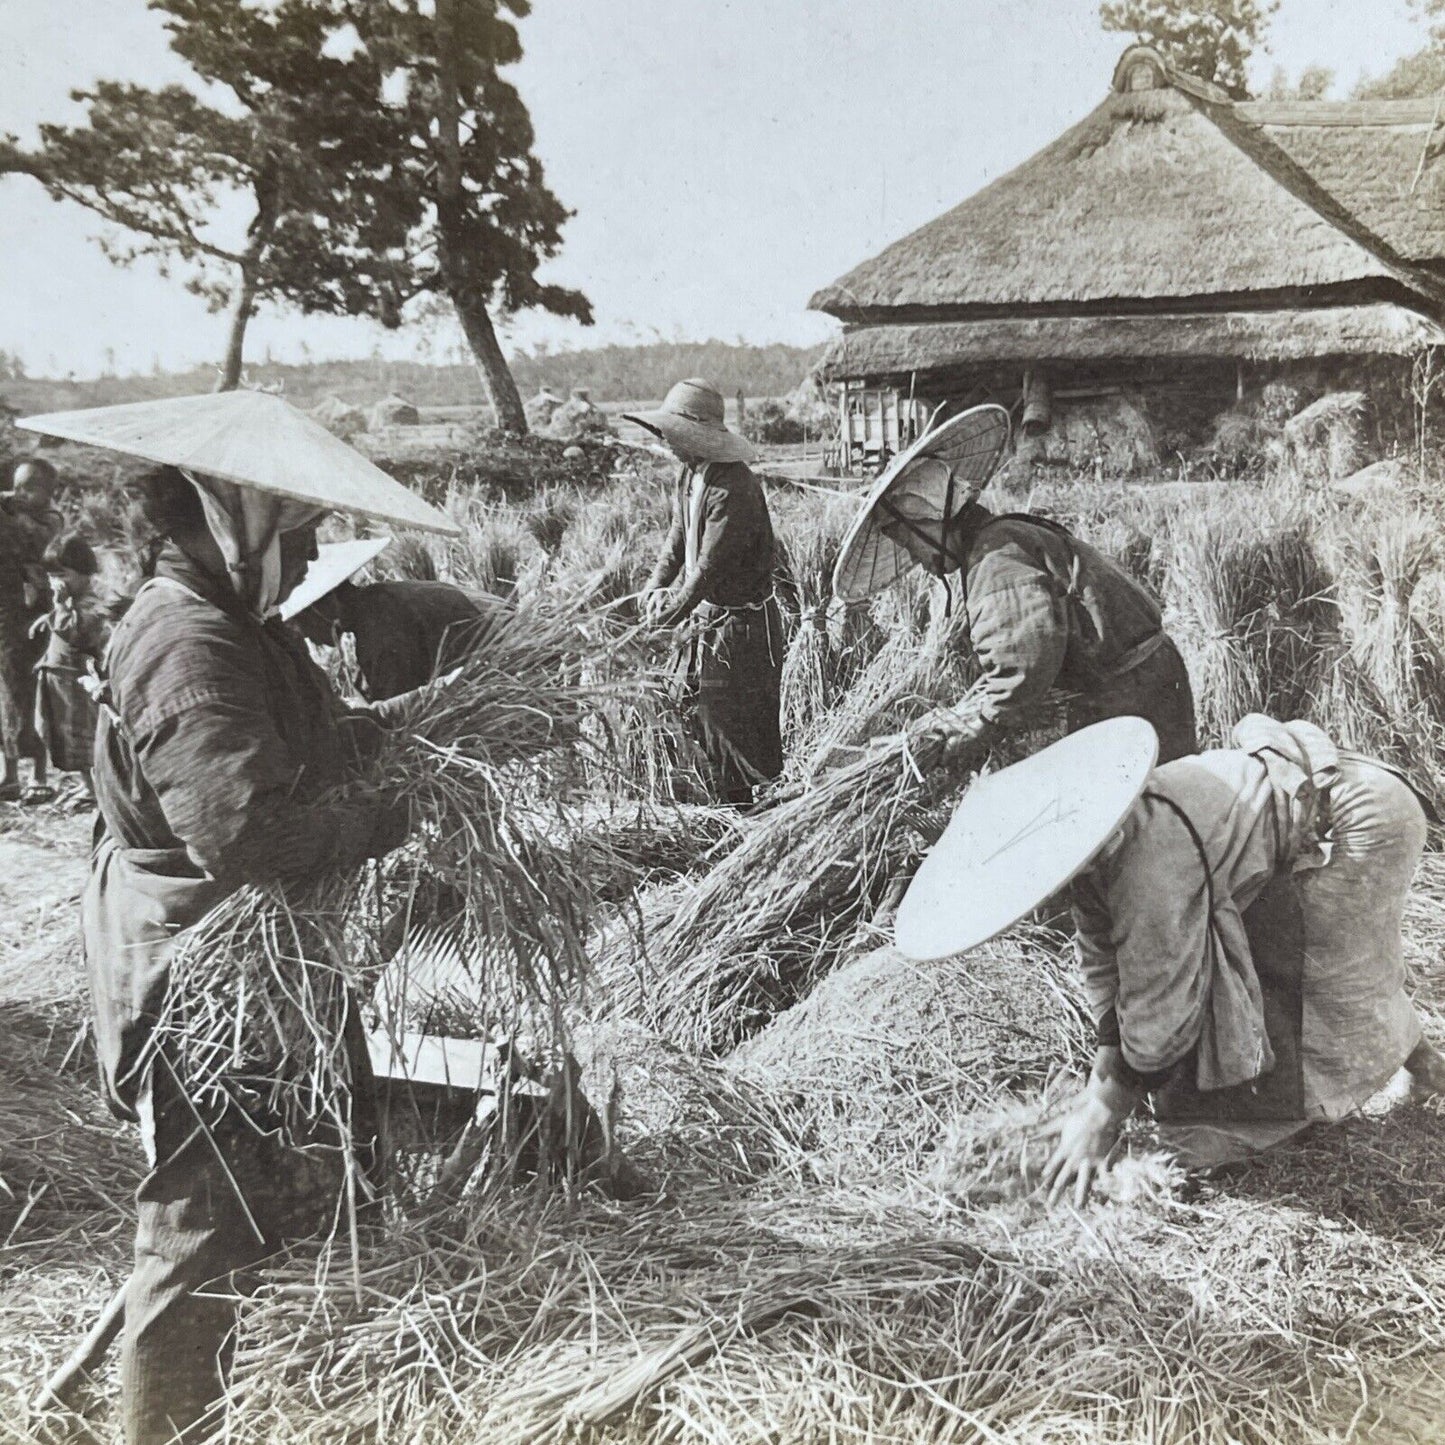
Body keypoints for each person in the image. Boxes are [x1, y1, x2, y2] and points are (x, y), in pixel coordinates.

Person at [41, 391, 459, 1445]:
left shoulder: (235, 625)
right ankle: (166, 1424)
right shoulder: (187, 642)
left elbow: (300, 740)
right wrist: (396, 813)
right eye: (301, 530)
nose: (310, 550)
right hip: (205, 973)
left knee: (321, 1174)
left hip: (266, 957)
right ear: (234, 517)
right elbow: (247, 834)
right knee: (201, 1230)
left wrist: (412, 736)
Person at [1039, 714, 1445, 1207]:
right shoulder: (1100, 861)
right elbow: (1104, 961)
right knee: (1324, 971)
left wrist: (1107, 1109)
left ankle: (1306, 1113)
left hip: (1359, 819)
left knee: (1324, 984)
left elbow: (1163, 1001)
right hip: (1330, 800)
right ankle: (1427, 1067)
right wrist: (1106, 1069)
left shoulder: (1148, 862)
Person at [832, 406, 1197, 766]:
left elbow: (1025, 657)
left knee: (1148, 813)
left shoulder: (995, 560)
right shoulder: (1004, 535)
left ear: (932, 521)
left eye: (911, 542)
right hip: (1144, 677)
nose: (919, 559)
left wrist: (982, 724)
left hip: (1134, 692)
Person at [626, 378, 784, 808]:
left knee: (733, 721)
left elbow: (707, 571)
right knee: (695, 708)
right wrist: (654, 586)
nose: (665, 443)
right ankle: (724, 803)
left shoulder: (734, 489)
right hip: (706, 618)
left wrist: (663, 621)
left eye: (670, 435)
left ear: (694, 435)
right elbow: (677, 540)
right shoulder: (690, 475)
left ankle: (753, 809)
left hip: (740, 626)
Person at [294, 575, 495, 701]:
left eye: (302, 622)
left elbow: (395, 712)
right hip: (493, 664)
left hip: (502, 674)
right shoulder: (379, 597)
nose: (308, 636)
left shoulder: (379, 625)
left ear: (323, 607)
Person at [30, 530, 119, 799]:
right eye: (52, 576)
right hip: (58, 680)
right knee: (62, 736)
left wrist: (60, 610)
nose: (56, 583)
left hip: (75, 683)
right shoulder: (70, 602)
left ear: (85, 573)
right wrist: (49, 616)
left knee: (82, 737)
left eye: (63, 575)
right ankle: (86, 784)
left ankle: (97, 789)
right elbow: (61, 620)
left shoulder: (92, 604)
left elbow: (75, 631)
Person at [0, 460, 61, 802]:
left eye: (30, 487)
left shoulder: (50, 520)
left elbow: (29, 536)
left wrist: (9, 508)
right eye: (17, 485)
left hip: (33, 613)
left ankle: (38, 774)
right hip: (7, 608)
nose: (20, 493)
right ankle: (8, 774)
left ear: (49, 493)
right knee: (5, 688)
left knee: (29, 687)